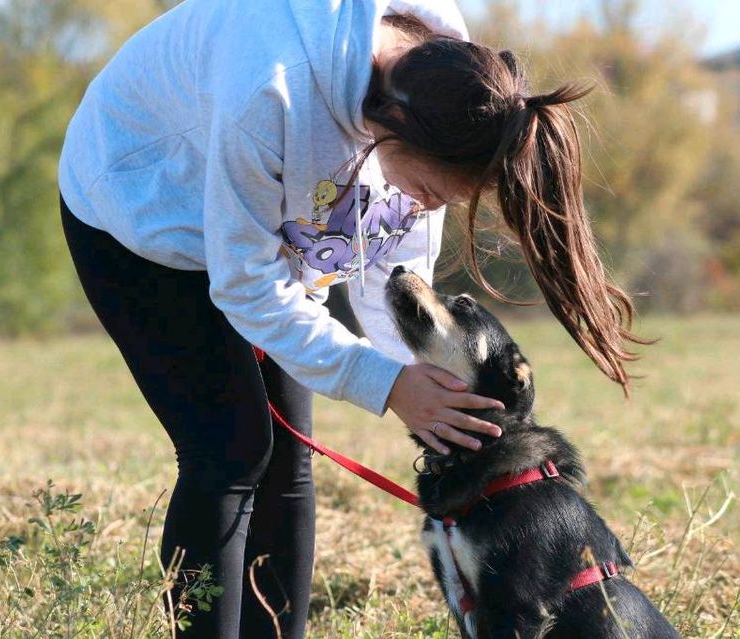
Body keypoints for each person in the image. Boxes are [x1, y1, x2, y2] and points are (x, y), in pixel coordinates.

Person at [57, 0, 642, 637]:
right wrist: (386, 384)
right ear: (392, 128)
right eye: (434, 192)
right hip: (141, 207)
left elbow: (393, 260)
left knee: (286, 461)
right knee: (230, 452)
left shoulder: (447, 81)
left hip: (261, 224)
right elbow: (246, 284)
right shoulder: (273, 88)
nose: (430, 207)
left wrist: (422, 387)